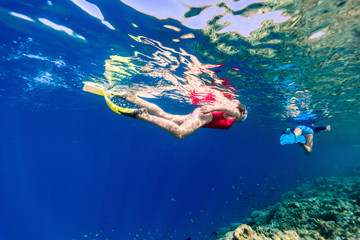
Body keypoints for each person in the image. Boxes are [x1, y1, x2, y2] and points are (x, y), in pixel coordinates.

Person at [83, 82, 247, 139]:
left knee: (165, 116)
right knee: (179, 133)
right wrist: (212, 107)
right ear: (242, 113)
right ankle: (145, 116)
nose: (240, 120)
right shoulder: (236, 112)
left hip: (199, 115)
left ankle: (130, 97)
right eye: (242, 118)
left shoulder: (233, 113)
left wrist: (211, 108)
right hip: (204, 116)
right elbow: (227, 108)